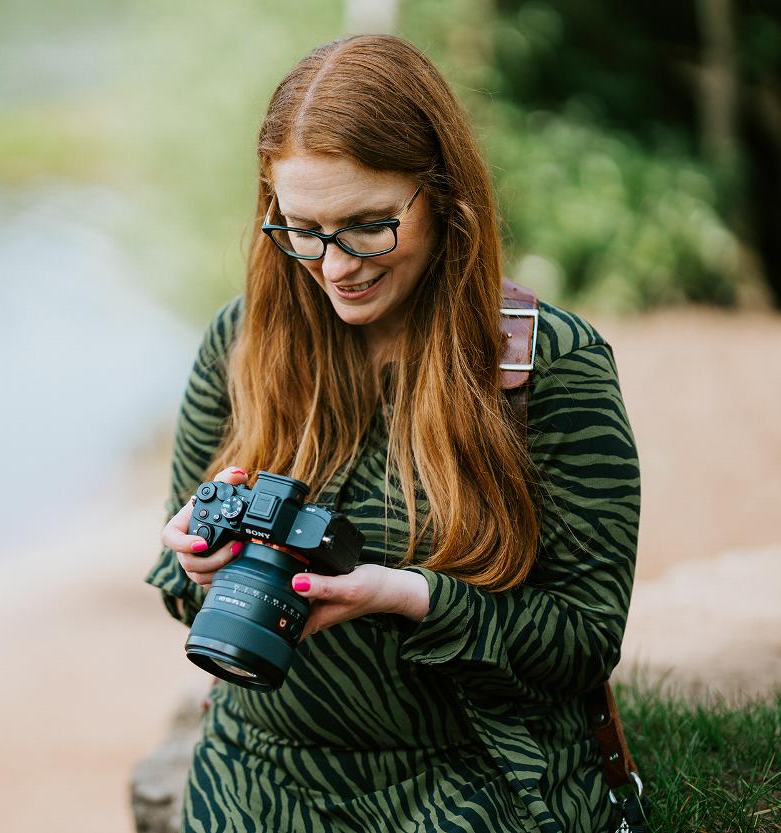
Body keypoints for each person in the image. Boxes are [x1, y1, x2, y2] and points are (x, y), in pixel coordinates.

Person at [144, 34, 641, 833]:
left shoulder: (553, 365)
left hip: (472, 775)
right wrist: (194, 559)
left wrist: (411, 597)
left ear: (443, 194)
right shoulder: (241, 342)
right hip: (253, 778)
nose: (333, 264)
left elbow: (582, 643)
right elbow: (180, 594)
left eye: (367, 225)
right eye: (300, 227)